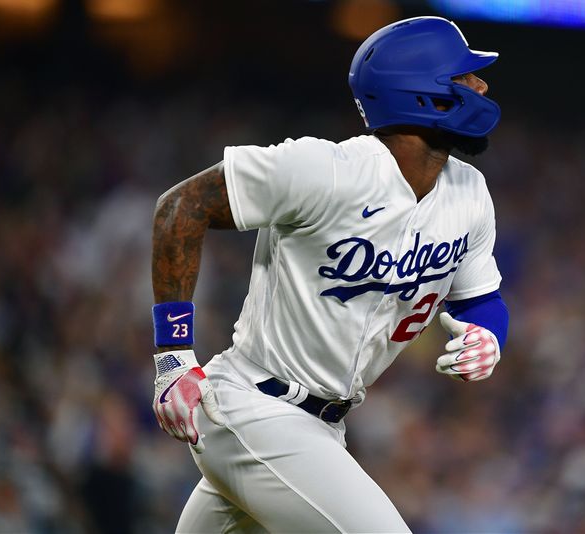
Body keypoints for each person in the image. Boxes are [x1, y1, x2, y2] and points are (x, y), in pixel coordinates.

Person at [150, 16, 510, 533]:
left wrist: (490, 336)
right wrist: (172, 357)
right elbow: (181, 207)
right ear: (423, 94)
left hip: (321, 430)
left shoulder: (468, 193)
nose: (481, 86)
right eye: (464, 77)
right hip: (254, 406)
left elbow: (480, 301)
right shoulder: (327, 170)